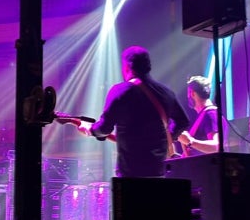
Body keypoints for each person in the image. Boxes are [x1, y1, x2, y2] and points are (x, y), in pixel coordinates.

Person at [77, 46, 190, 177]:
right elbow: (183, 121)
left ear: (127, 67)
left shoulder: (121, 91)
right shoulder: (166, 93)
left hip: (130, 173)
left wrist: (89, 129)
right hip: (159, 171)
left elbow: (104, 128)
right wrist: (168, 137)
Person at [177, 76, 219, 156]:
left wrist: (190, 141)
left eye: (188, 94)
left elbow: (217, 146)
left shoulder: (210, 114)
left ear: (192, 93)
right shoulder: (205, 115)